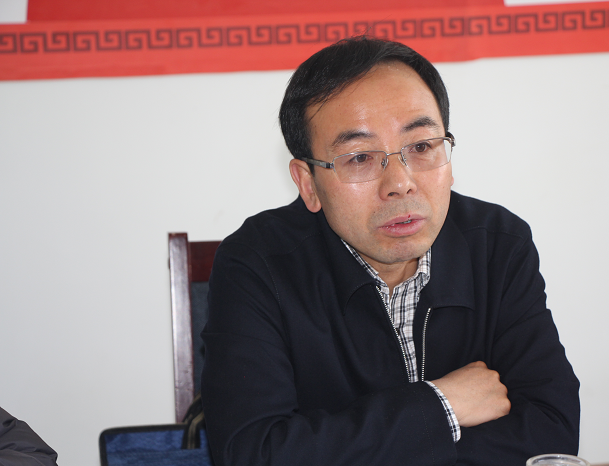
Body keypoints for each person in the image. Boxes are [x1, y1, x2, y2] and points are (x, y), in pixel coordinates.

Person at [201, 36, 580, 466]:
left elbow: (552, 433)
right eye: (360, 158)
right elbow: (254, 454)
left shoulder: (498, 245)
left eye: (421, 147)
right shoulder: (256, 265)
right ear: (308, 184)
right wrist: (442, 406)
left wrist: (358, 446)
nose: (400, 183)